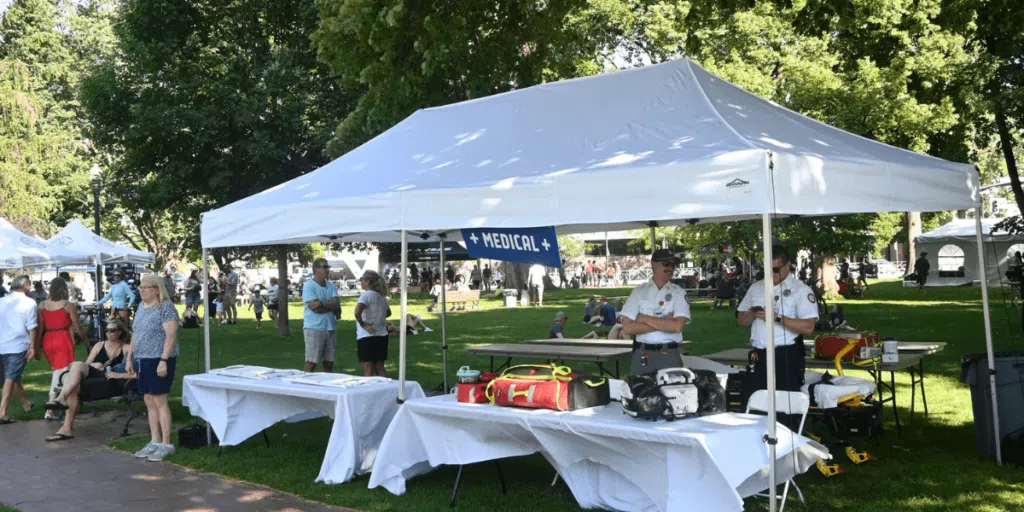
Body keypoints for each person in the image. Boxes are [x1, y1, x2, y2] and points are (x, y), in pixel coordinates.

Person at [736, 245, 818, 416]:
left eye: (774, 269)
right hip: (759, 356)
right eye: (766, 268)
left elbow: (809, 327)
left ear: (787, 265)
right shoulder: (756, 287)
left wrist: (777, 318)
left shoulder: (801, 290)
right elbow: (742, 322)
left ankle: (788, 440)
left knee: (785, 408)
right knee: (752, 403)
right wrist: (751, 312)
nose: (770, 273)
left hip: (785, 356)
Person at [44, 317, 135, 441]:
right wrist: (97, 366)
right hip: (95, 372)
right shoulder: (99, 345)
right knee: (77, 365)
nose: (109, 333)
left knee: (73, 387)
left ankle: (65, 424)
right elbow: (87, 364)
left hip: (110, 377)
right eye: (107, 330)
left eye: (112, 330)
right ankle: (61, 399)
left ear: (119, 332)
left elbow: (131, 366)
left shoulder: (125, 348)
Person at [130, 275, 180, 461]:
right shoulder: (141, 307)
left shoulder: (165, 307)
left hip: (158, 360)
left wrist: (163, 360)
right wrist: (129, 358)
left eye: (146, 287)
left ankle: (167, 443)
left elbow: (171, 335)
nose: (141, 290)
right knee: (149, 400)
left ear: (157, 289)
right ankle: (155, 441)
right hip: (142, 359)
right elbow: (135, 334)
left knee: (160, 401)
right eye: (140, 287)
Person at [620, 250, 690, 373]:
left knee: (672, 391)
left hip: (669, 354)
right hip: (642, 355)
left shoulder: (679, 292)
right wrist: (665, 323)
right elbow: (628, 328)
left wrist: (644, 318)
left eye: (673, 265)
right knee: (639, 391)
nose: (671, 268)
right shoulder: (638, 292)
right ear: (653, 264)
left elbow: (678, 326)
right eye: (667, 264)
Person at [35, 278, 87, 419]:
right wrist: (85, 341)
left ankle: (58, 402)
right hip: (62, 338)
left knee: (57, 371)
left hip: (48, 339)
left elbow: (39, 328)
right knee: (61, 372)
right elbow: (78, 327)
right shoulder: (68, 306)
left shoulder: (42, 305)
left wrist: (36, 346)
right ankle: (51, 405)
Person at [0, 276, 39, 424]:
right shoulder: (29, 302)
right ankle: (2, 412)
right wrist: (33, 346)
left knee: (14, 376)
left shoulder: (1, 301)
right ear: (27, 286)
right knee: (10, 378)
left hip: (3, 345)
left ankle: (25, 404)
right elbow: (32, 326)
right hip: (18, 345)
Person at [301, 259, 340, 372]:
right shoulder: (309, 286)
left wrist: (322, 303)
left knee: (329, 362)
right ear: (317, 269)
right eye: (325, 267)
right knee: (311, 362)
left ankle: (326, 388)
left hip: (330, 328)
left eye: (328, 267)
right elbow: (314, 309)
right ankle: (303, 385)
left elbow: (337, 304)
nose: (328, 269)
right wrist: (330, 306)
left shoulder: (331, 285)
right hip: (314, 328)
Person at [354, 270, 391, 377]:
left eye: (361, 279)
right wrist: (378, 317)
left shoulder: (365, 296)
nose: (360, 282)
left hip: (367, 336)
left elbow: (357, 312)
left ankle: (368, 392)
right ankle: (386, 391)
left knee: (367, 368)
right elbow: (388, 312)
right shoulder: (381, 297)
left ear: (367, 281)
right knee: (380, 367)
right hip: (382, 335)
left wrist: (363, 324)